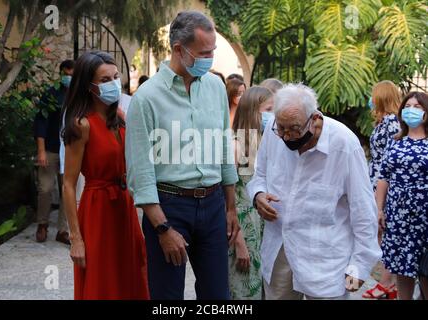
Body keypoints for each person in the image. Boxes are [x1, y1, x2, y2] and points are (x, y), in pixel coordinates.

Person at [125, 11, 240, 300]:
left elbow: (224, 146)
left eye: (212, 51)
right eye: (204, 52)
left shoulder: (214, 87)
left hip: (213, 205)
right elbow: (141, 170)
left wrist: (230, 206)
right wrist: (162, 228)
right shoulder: (147, 98)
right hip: (169, 207)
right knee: (168, 298)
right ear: (179, 49)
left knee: (218, 296)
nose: (210, 57)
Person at [247, 83, 382, 300]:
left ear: (315, 118)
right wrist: (258, 195)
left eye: (294, 129)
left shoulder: (344, 145)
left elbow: (363, 209)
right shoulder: (275, 130)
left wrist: (360, 265)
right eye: (282, 128)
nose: (287, 136)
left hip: (326, 262)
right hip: (280, 250)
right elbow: (259, 175)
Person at [62, 51, 149, 300]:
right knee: (103, 282)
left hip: (124, 207)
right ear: (88, 86)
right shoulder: (82, 124)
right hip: (98, 209)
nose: (113, 83)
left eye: (116, 77)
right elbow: (68, 184)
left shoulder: (120, 118)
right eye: (104, 80)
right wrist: (76, 238)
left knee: (130, 275)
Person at [376, 92, 428, 300]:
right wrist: (379, 209)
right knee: (401, 268)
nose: (411, 109)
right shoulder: (395, 142)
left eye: (417, 106)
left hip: (424, 216)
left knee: (425, 270)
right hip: (398, 215)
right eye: (408, 105)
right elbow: (384, 177)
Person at [230, 86, 274, 299]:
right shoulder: (236, 145)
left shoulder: (266, 143)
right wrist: (239, 243)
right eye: (269, 109)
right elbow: (225, 197)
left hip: (263, 231)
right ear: (253, 111)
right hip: (243, 231)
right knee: (244, 292)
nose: (273, 116)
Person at [362, 80, 401, 299]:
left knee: (384, 230)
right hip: (375, 181)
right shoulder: (383, 122)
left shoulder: (393, 123)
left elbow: (389, 160)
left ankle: (388, 283)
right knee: (379, 231)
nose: (371, 99)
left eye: (373, 95)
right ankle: (387, 282)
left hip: (383, 184)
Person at [34, 59, 74, 244]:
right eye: (67, 74)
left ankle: (63, 230)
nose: (70, 77)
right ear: (61, 74)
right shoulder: (50, 95)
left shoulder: (78, 96)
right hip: (50, 149)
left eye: (73, 74)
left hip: (70, 151)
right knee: (45, 188)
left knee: (68, 190)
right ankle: (42, 224)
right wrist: (41, 151)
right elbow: (40, 123)